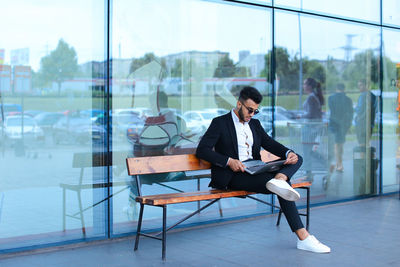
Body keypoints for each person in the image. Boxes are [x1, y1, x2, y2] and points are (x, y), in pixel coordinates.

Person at [196, 86, 330, 253]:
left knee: (297, 158)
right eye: (250, 110)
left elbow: (270, 143)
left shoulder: (255, 124)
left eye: (255, 112)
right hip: (234, 175)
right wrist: (229, 161)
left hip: (256, 170)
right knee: (282, 187)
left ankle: (280, 179)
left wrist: (288, 153)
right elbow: (202, 150)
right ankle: (303, 237)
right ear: (239, 104)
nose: (252, 115)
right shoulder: (220, 123)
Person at [299, 78, 325, 180]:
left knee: (306, 151)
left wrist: (300, 116)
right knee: (309, 151)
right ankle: (323, 163)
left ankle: (309, 174)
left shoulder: (311, 98)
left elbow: (311, 114)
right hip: (314, 128)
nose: (303, 86)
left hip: (310, 128)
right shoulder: (315, 97)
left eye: (304, 84)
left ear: (309, 86)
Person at [328, 83, 353, 172]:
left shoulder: (331, 98)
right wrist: (348, 124)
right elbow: (350, 113)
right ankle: (339, 164)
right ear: (344, 89)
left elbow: (332, 111)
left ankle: (339, 164)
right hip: (343, 125)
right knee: (340, 144)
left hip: (334, 124)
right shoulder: (348, 100)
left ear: (336, 88)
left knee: (336, 145)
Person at [354, 79, 377, 146]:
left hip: (362, 124)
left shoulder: (363, 96)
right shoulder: (373, 96)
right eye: (358, 85)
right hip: (370, 123)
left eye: (361, 85)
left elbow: (360, 110)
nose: (359, 87)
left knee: (362, 145)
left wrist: (354, 108)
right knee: (367, 144)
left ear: (366, 85)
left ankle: (363, 157)